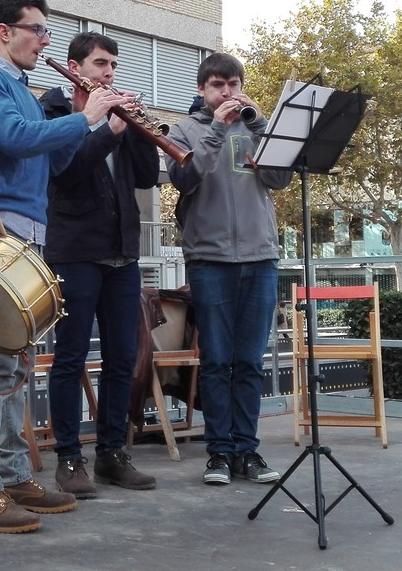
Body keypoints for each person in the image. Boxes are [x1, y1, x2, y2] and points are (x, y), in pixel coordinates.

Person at [0, 0, 130, 533]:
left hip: (30, 232)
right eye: (37, 29)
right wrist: (86, 118)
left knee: (18, 363)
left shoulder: (26, 92)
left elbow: (56, 164)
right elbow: (14, 139)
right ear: (5, 31)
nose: (45, 40)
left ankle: (12, 475)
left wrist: (93, 123)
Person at [39, 32, 160, 498]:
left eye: (113, 65)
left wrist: (137, 128)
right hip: (74, 252)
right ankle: (69, 458)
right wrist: (106, 131)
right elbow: (64, 174)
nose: (109, 72)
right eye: (100, 63)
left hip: (121, 253)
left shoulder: (116, 117)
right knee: (70, 358)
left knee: (122, 358)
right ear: (75, 68)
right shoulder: (54, 113)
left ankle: (112, 453)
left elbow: (146, 178)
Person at [165, 52, 292, 486]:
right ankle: (219, 452)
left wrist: (261, 127)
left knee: (250, 361)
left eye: (233, 85)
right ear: (202, 89)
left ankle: (247, 450)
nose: (227, 93)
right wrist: (217, 129)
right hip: (210, 259)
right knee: (217, 361)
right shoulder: (184, 129)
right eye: (218, 85)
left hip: (260, 257)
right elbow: (185, 179)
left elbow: (280, 180)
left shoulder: (257, 128)